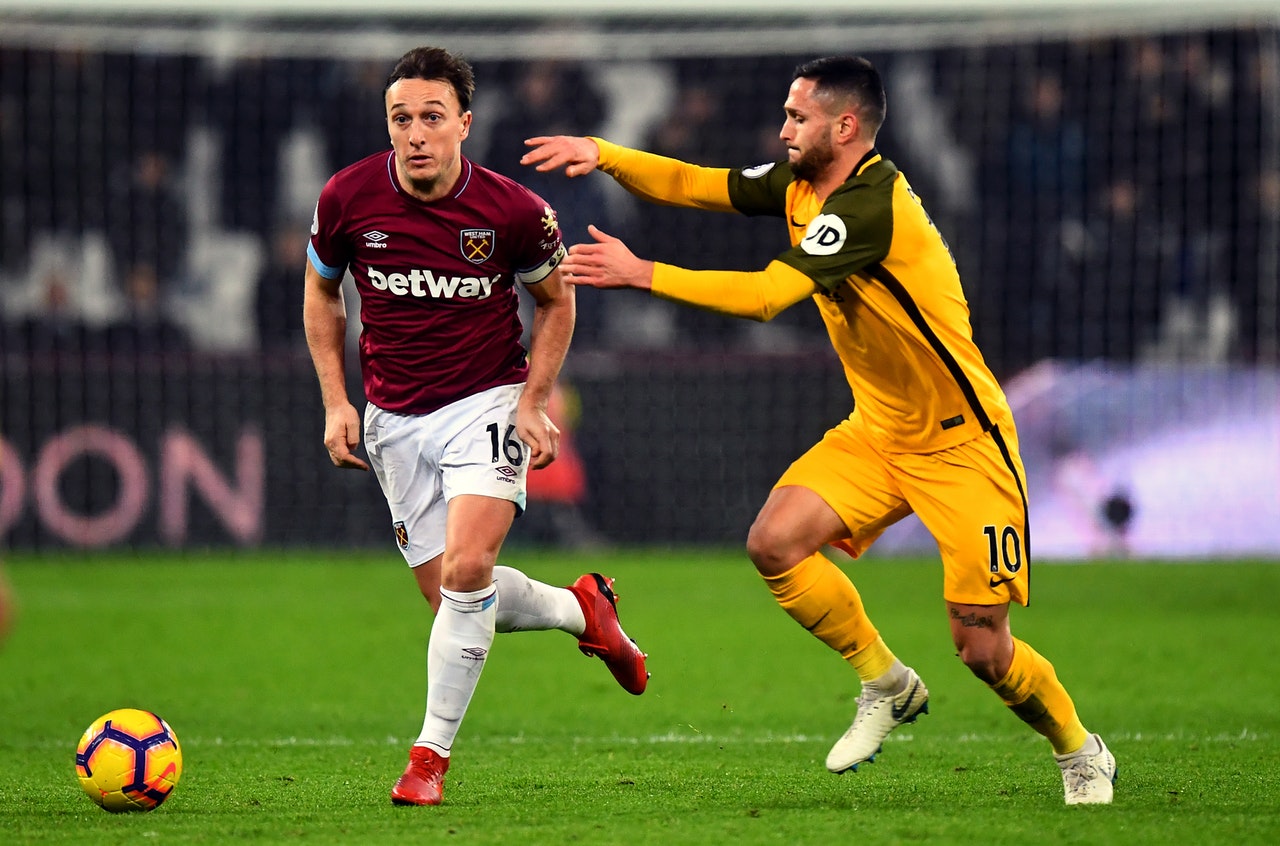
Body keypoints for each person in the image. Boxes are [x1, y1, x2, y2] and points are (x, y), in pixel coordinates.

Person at [523, 55, 1116, 806]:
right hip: (879, 432)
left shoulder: (869, 207)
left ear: (844, 127)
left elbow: (770, 296)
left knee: (982, 649)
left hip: (963, 445)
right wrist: (604, 154)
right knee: (774, 542)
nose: (783, 130)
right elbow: (701, 184)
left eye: (797, 118)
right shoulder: (803, 184)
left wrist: (645, 273)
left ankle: (1079, 751)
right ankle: (887, 682)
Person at [302, 46, 648, 808]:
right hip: (394, 417)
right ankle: (583, 609)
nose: (416, 133)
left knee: (466, 574)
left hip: (486, 401)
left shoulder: (514, 211)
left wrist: (533, 400)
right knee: (456, 599)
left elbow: (557, 300)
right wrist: (336, 401)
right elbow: (321, 292)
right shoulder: (346, 197)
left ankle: (428, 760)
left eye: (432, 117)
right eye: (401, 119)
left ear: (464, 122)